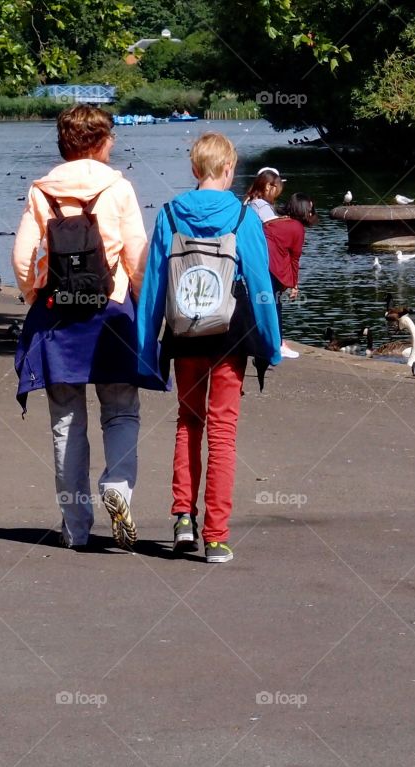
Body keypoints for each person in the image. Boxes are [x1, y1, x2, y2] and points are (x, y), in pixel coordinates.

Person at [11, 104, 162, 551]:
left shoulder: (42, 190)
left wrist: (37, 296)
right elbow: (137, 256)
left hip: (59, 316)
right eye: (110, 138)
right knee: (121, 409)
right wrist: (142, 304)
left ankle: (76, 528)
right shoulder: (119, 188)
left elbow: (22, 259)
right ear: (97, 142)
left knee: (66, 422)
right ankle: (117, 483)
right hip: (112, 313)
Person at [136, 132, 281, 563]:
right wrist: (271, 344)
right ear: (229, 169)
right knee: (223, 433)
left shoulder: (168, 214)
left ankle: (183, 517)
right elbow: (260, 287)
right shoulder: (243, 217)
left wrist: (147, 350)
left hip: (184, 333)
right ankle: (216, 537)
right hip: (229, 336)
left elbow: (154, 288)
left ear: (195, 170)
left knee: (188, 421)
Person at [263, 192, 318, 361]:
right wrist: (294, 284)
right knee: (275, 306)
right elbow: (294, 258)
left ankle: (272, 343)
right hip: (273, 269)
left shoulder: (273, 222)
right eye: (310, 209)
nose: (311, 213)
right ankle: (278, 345)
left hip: (260, 265)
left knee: (267, 306)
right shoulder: (297, 228)